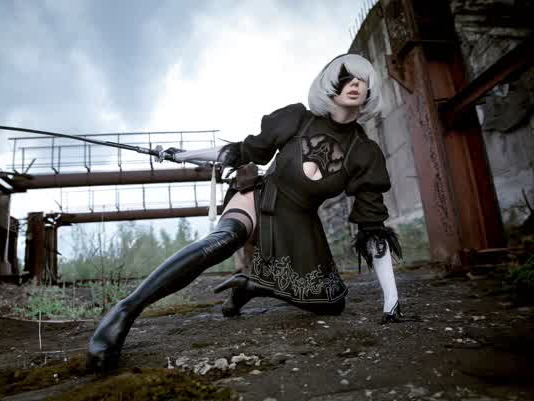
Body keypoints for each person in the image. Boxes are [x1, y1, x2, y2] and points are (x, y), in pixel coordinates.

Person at [87, 53, 403, 373]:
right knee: (223, 240)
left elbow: (373, 230)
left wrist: (391, 301)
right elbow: (242, 151)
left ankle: (252, 285)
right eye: (346, 77)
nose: (354, 84)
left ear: (370, 90)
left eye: (362, 80)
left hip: (299, 220)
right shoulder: (297, 119)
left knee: (331, 302)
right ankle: (125, 311)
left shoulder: (365, 153)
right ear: (330, 84)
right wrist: (180, 155)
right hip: (262, 196)